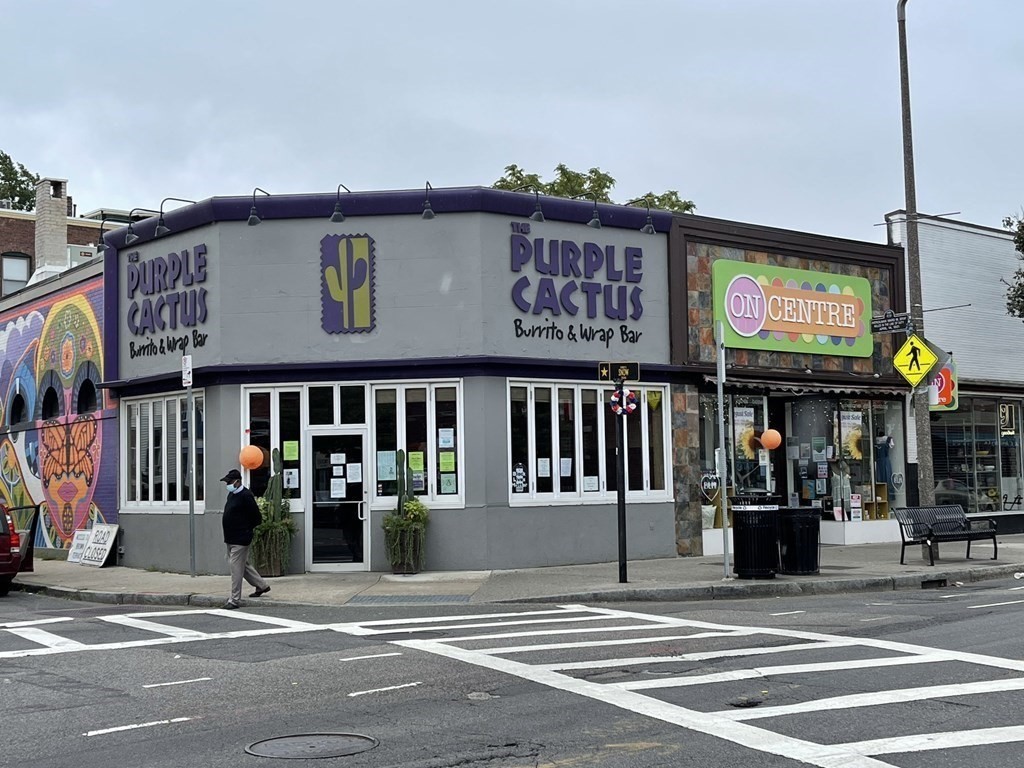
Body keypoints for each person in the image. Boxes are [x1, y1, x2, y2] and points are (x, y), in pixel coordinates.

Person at [220, 468, 270, 609]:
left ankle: (234, 600)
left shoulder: (246, 496)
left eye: (229, 482)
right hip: (230, 537)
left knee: (235, 568)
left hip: (241, 538)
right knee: (242, 565)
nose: (227, 485)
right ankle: (262, 586)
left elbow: (256, 517)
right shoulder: (232, 495)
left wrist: (246, 530)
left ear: (237, 482)